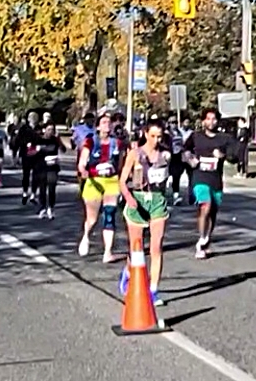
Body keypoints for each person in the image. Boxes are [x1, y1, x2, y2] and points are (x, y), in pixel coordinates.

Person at [118, 118, 174, 306]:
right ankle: (127, 273)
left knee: (156, 247)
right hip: (138, 201)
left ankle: (153, 290)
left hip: (157, 201)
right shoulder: (135, 154)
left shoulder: (165, 155)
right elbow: (122, 181)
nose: (156, 140)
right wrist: (129, 198)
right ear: (145, 133)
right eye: (152, 136)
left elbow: (166, 179)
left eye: (159, 136)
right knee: (137, 248)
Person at [182, 111, 233, 258]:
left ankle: (206, 239)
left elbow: (234, 156)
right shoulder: (196, 136)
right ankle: (201, 239)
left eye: (214, 119)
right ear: (203, 121)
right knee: (206, 204)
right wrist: (190, 158)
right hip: (199, 176)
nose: (211, 122)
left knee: (213, 212)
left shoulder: (224, 138)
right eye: (208, 119)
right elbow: (185, 150)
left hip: (215, 179)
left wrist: (222, 155)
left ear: (217, 121)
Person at [77, 112, 126, 261]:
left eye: (109, 122)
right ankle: (86, 236)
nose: (107, 125)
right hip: (94, 181)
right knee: (92, 218)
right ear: (98, 126)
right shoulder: (90, 142)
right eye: (104, 122)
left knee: (109, 214)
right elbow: (82, 162)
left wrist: (122, 179)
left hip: (111, 181)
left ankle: (108, 252)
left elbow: (120, 163)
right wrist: (83, 171)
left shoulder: (117, 143)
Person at [27, 121, 61, 220]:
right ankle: (42, 208)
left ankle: (50, 207)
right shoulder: (37, 140)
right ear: (44, 130)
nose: (51, 132)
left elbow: (62, 149)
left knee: (52, 188)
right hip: (41, 167)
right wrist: (36, 150)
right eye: (49, 129)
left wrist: (59, 140)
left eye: (52, 130)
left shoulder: (55, 140)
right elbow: (29, 153)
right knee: (42, 189)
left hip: (52, 167)